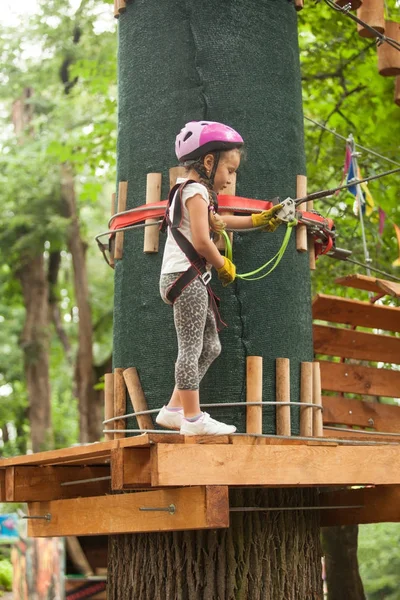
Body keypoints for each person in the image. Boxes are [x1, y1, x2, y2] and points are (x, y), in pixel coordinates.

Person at [156, 121, 282, 436]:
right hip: (186, 276)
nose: (230, 179)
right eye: (230, 169)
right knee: (190, 347)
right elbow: (201, 240)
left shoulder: (189, 191)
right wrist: (222, 263)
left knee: (211, 346)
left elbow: (218, 222)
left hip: (186, 277)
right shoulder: (196, 191)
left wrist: (256, 220)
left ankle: (174, 410)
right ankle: (193, 419)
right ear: (209, 162)